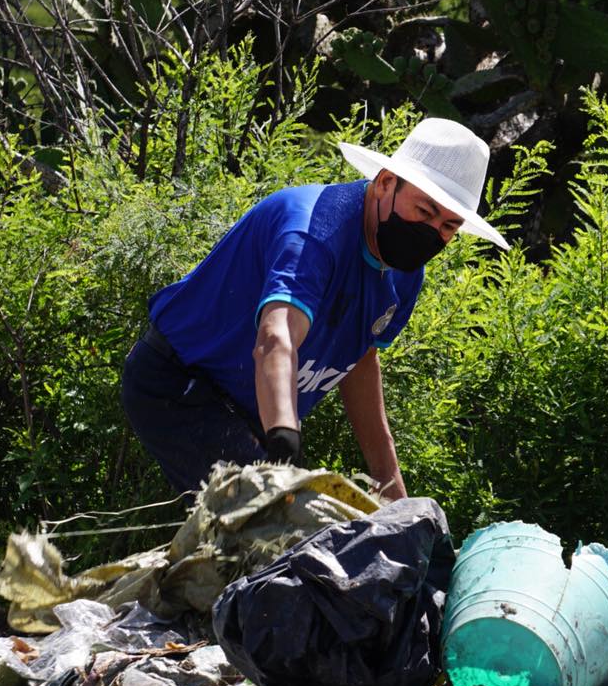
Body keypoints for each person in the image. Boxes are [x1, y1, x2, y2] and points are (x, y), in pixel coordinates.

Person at [122, 117, 508, 499]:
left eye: (448, 226)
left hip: (253, 411)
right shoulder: (313, 234)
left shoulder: (405, 274)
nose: (432, 233)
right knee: (280, 534)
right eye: (424, 212)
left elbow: (359, 359)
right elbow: (276, 337)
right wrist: (285, 440)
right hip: (180, 387)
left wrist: (392, 490)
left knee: (296, 533)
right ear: (386, 183)